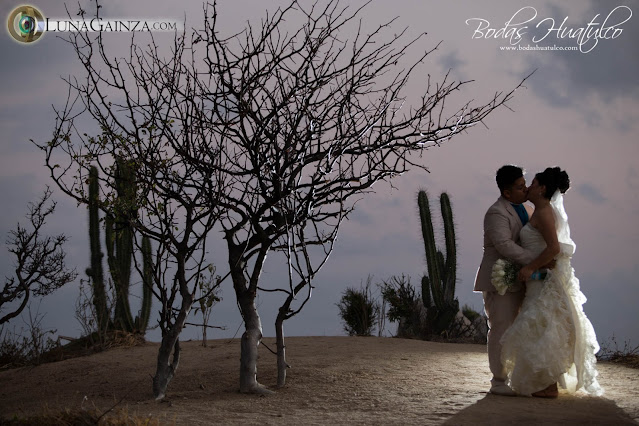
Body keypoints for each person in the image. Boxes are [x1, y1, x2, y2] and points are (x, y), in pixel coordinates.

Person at [500, 167, 603, 398]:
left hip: (542, 280)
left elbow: (554, 248)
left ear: (543, 188)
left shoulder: (545, 213)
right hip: (537, 280)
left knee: (543, 325)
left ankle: (548, 384)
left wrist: (530, 267)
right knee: (540, 326)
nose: (529, 187)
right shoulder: (537, 211)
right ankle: (545, 383)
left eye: (534, 183)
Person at [474, 165, 537, 396]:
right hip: (499, 280)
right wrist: (535, 260)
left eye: (525, 184)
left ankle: (517, 376)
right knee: (501, 328)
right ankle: (499, 380)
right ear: (507, 192)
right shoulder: (496, 212)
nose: (526, 189)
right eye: (520, 187)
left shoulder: (527, 209)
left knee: (519, 328)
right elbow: (504, 245)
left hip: (522, 279)